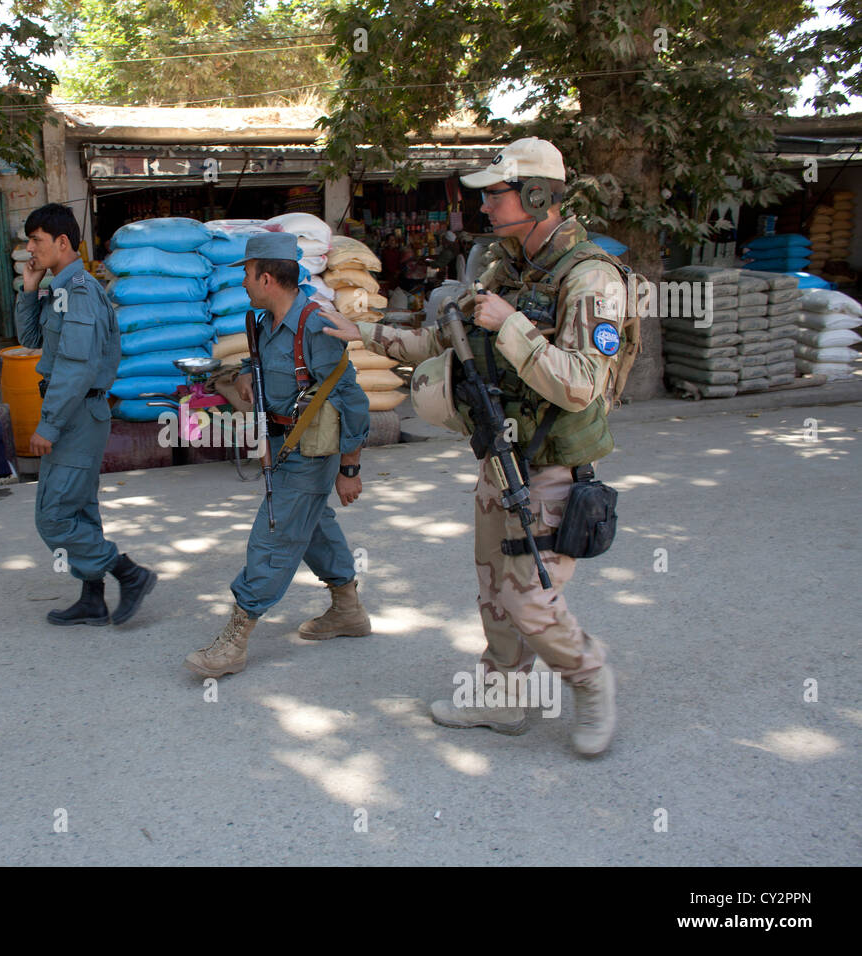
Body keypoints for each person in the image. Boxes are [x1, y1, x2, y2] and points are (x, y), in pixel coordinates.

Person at [320, 138, 625, 757]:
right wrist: (368, 333)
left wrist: (508, 324)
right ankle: (504, 700)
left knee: (529, 596)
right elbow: (443, 340)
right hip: (500, 457)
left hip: (552, 464)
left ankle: (591, 679)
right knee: (493, 587)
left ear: (537, 195)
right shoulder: (504, 267)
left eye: (496, 193)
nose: (484, 206)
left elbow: (581, 384)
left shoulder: (593, 278)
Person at [184, 232, 371, 678]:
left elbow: (352, 400)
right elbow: (268, 366)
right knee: (311, 525)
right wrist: (248, 374)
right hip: (283, 443)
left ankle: (235, 639)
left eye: (246, 275)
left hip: (312, 450)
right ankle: (348, 610)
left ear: (266, 277)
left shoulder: (316, 325)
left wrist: (350, 469)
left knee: (274, 533)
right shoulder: (264, 321)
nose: (243, 284)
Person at [15, 203, 156, 627]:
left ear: (62, 242)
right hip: (72, 410)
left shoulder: (79, 291)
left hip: (76, 414)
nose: (29, 250)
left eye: (35, 241)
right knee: (78, 512)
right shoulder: (60, 287)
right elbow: (30, 338)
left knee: (54, 516)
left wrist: (49, 424)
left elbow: (75, 367)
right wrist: (28, 289)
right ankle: (92, 598)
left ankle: (129, 574)